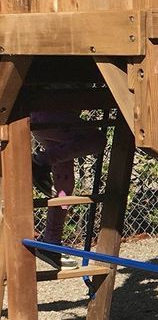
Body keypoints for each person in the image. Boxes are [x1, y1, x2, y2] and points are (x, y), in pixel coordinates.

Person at [31, 111, 105, 270]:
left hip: (45, 117)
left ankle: (51, 242)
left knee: (64, 186)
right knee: (96, 139)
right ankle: (40, 162)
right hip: (47, 115)